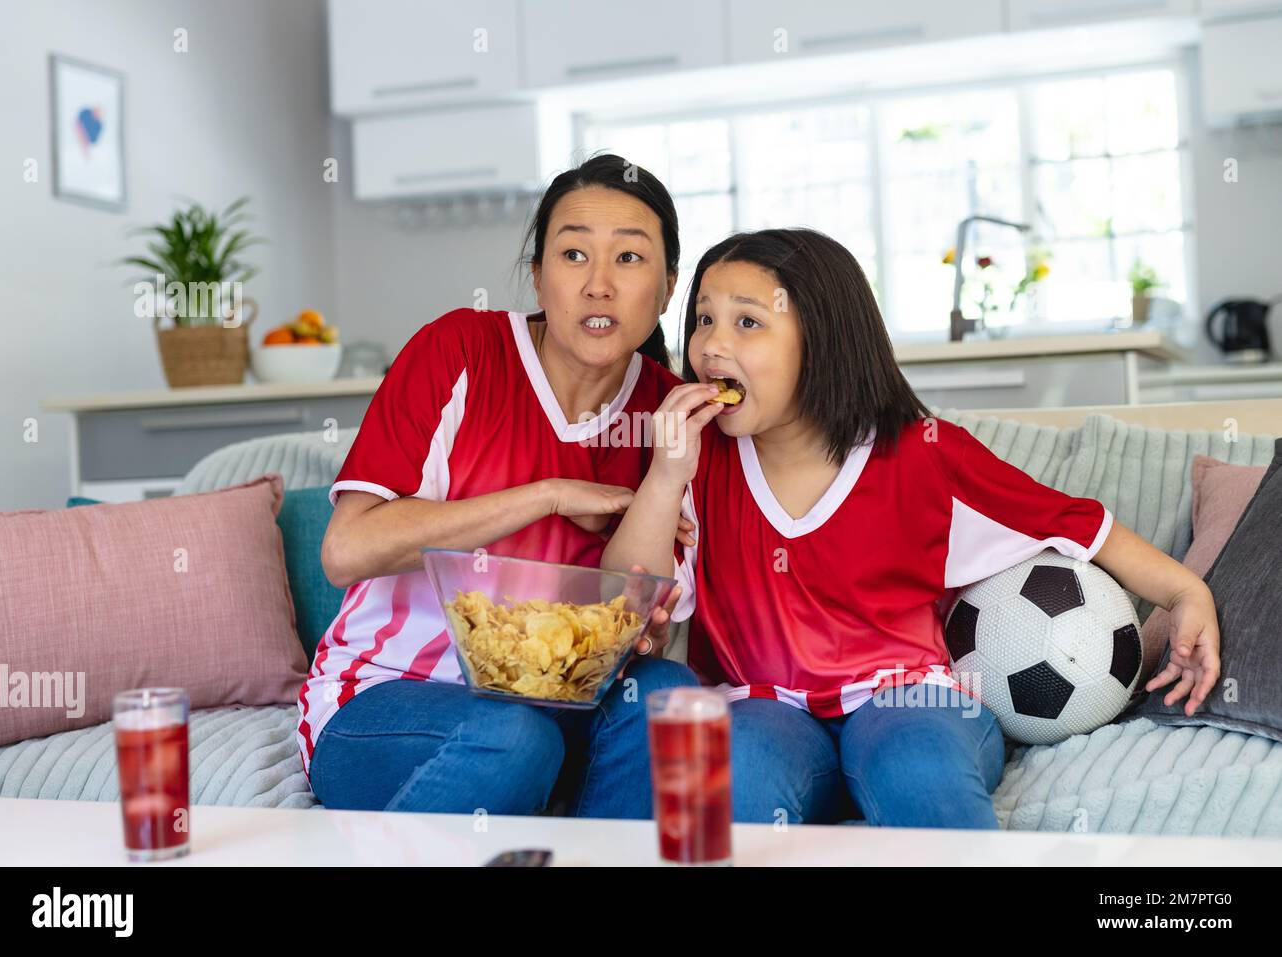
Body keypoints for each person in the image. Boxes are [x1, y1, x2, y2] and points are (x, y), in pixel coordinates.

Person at [603, 227, 1221, 828]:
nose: (710, 345)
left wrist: (1187, 594)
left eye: (747, 321)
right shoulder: (696, 459)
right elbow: (619, 605)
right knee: (738, 771)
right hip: (763, 710)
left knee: (914, 764)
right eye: (703, 319)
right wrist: (663, 477)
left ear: (824, 340)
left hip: (908, 701)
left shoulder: (923, 456)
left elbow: (1082, 526)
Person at [299, 154, 700, 818]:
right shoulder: (457, 351)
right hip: (388, 694)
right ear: (539, 276)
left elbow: (631, 615)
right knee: (515, 734)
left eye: (629, 259)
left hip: (563, 700)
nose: (599, 284)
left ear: (666, 287)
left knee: (668, 699)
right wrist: (546, 494)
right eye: (574, 255)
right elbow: (348, 549)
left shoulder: (671, 415)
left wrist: (661, 478)